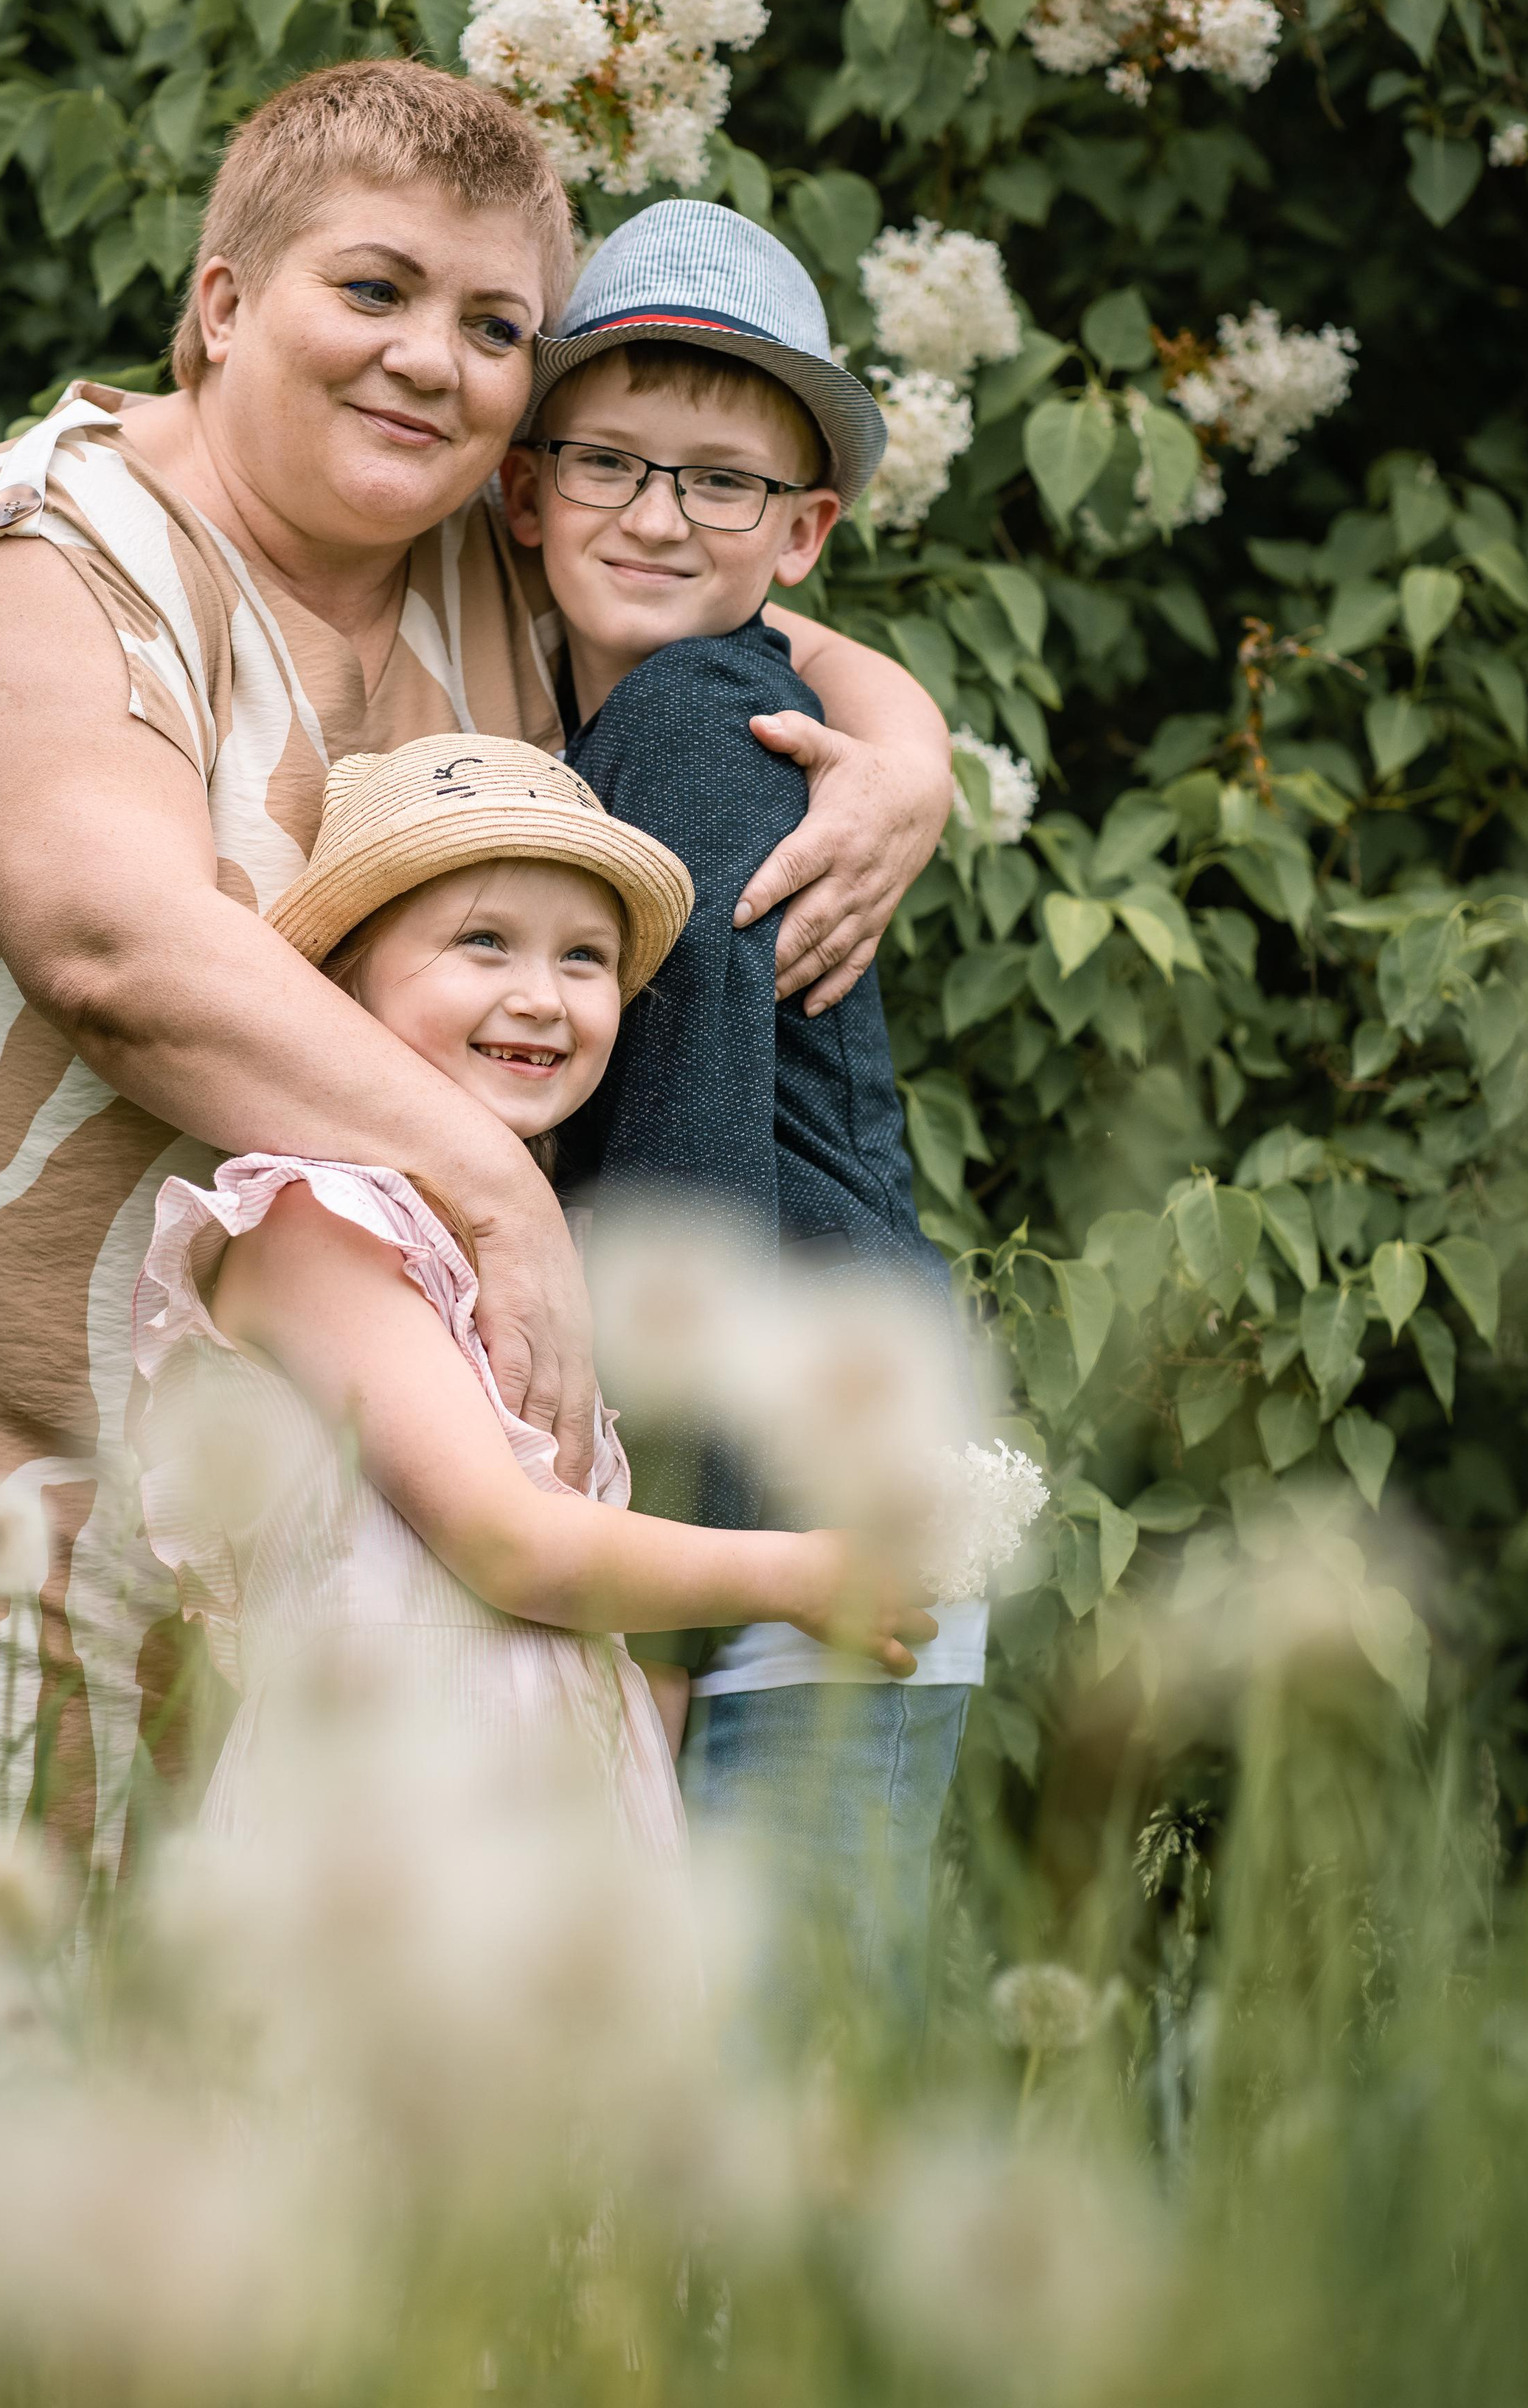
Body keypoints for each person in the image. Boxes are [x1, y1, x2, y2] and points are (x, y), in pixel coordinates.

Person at [0, 61, 956, 1874]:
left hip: (377, 1563)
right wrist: (493, 1189)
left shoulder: (455, 560)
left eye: (494, 326)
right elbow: (115, 952)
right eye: (376, 289)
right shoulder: (54, 539)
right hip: (28, 1487)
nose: (431, 359)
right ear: (224, 302)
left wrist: (898, 738)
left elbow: (723, 577)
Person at [131, 735, 934, 1849]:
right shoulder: (321, 1226)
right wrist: (799, 1571)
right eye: (485, 943)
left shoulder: (545, 1253)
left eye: (585, 958)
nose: (542, 998)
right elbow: (509, 1544)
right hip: (387, 1832)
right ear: (343, 984)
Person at [500, 200, 981, 2041]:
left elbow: (694, 1158)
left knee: (772, 2078)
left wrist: (673, 1592)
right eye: (612, 459)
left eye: (719, 483)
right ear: (526, 487)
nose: (655, 513)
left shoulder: (702, 715)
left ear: (802, 535)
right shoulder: (643, 710)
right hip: (807, 1500)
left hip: (791, 1523)